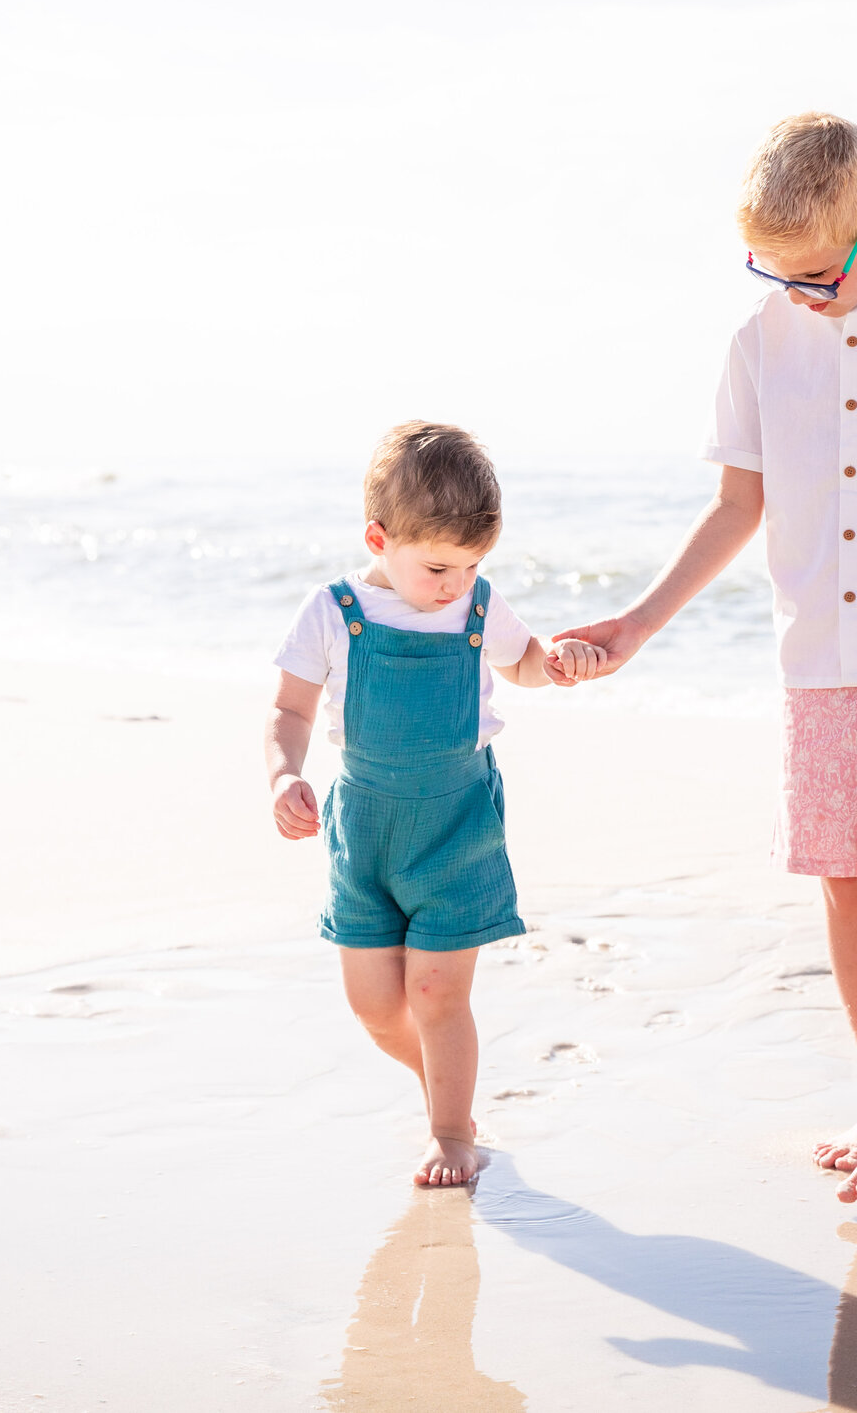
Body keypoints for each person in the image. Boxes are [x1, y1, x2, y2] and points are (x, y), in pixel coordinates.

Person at [554, 112, 857, 1204]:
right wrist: (635, 624)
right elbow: (740, 500)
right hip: (818, 656)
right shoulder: (758, 339)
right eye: (769, 272)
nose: (796, 294)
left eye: (813, 276)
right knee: (843, 880)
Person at [267, 420, 606, 1187]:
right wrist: (283, 775)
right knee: (377, 1005)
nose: (455, 583)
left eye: (473, 565)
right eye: (438, 567)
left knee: (436, 991)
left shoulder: (475, 605)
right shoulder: (333, 611)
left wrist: (561, 660)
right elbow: (287, 712)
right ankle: (444, 1086)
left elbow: (524, 663)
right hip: (366, 828)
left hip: (458, 825)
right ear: (378, 537)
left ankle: (453, 1132)